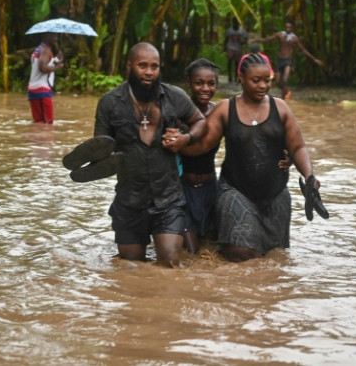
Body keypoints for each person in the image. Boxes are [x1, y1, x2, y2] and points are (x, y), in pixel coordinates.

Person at [172, 53, 324, 262]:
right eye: (256, 80)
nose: (263, 86)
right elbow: (202, 145)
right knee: (240, 254)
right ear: (241, 78)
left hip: (275, 191)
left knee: (275, 255)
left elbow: (297, 147)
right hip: (236, 190)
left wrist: (309, 176)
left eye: (267, 80)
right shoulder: (226, 108)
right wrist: (176, 144)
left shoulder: (280, 108)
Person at [94, 42, 207, 267]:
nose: (149, 72)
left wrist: (186, 138)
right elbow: (99, 146)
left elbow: (199, 121)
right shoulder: (109, 103)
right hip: (129, 201)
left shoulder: (174, 96)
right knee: (131, 267)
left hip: (168, 199)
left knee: (171, 262)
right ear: (129, 66)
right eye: (142, 65)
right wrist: (98, 160)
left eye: (154, 66)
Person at [180, 58, 222, 253]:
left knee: (213, 249)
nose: (205, 88)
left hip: (211, 189)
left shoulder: (219, 112)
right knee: (192, 252)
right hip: (182, 190)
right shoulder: (177, 111)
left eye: (211, 83)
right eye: (199, 83)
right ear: (188, 83)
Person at [27, 32, 64, 123]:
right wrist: (57, 67)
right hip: (43, 90)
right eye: (54, 35)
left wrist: (56, 60)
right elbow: (43, 68)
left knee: (39, 122)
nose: (56, 38)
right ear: (46, 36)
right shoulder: (46, 50)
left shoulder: (38, 49)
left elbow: (43, 63)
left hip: (33, 89)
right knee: (49, 123)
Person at [224, 18, 247, 83]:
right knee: (230, 61)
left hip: (238, 48)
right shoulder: (230, 30)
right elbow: (226, 39)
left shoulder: (241, 31)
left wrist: (243, 43)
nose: (236, 24)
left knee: (237, 63)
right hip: (230, 47)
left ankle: (237, 77)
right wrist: (224, 48)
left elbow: (245, 38)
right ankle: (230, 75)